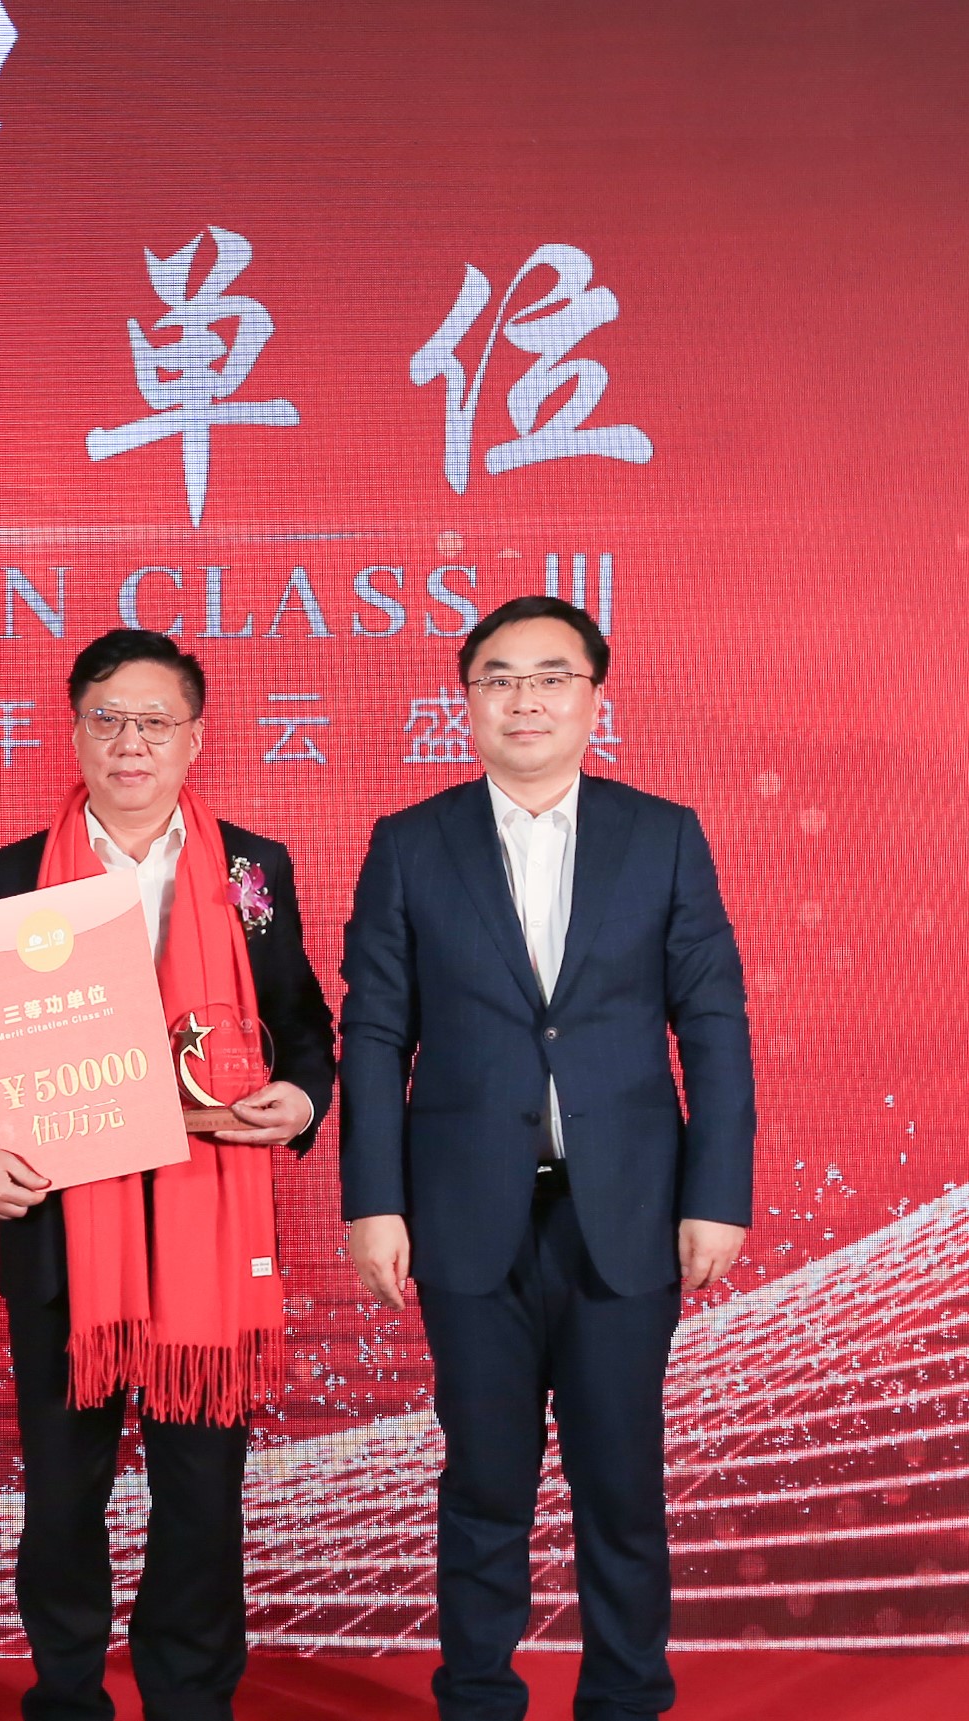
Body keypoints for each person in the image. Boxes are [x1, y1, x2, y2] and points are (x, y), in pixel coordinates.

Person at [337, 595, 754, 1721]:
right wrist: (373, 1200)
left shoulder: (661, 834)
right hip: (463, 1214)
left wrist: (716, 1195)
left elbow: (712, 1022)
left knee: (620, 1479)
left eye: (550, 676)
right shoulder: (410, 842)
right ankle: (478, 1696)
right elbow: (373, 1031)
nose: (524, 698)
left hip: (624, 1210)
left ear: (593, 697)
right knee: (483, 1480)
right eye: (498, 678)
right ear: (466, 701)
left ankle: (625, 1697)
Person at [0, 628, 336, 1721]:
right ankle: (66, 1693)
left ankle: (189, 1696)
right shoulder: (12, 874)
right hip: (64, 1234)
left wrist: (302, 1098)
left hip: (209, 1229)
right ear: (74, 733)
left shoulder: (252, 868)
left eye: (155, 721)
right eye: (107, 719)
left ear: (195, 738)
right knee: (64, 1495)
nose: (130, 743)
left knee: (200, 1494)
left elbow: (303, 1026)